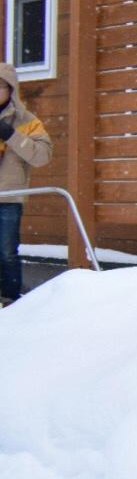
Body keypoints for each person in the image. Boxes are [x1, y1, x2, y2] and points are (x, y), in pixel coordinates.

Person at [0, 63, 55, 307]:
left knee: (6, 253)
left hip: (9, 199)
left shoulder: (27, 121)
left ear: (10, 89)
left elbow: (42, 156)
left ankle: (10, 302)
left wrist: (10, 135)